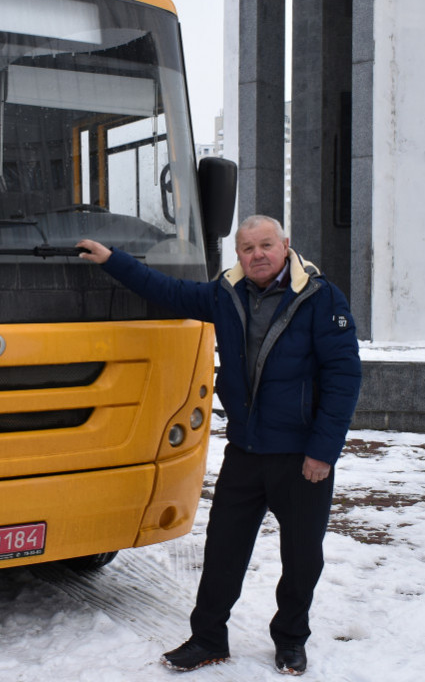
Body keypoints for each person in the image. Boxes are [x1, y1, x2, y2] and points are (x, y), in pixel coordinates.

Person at [77, 215, 361, 676]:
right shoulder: (225, 295)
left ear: (286, 244)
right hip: (247, 453)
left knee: (302, 557)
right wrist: (113, 261)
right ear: (239, 255)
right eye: (247, 249)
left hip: (300, 457)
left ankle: (290, 639)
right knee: (223, 551)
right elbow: (165, 291)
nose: (257, 255)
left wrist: (322, 453)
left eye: (266, 245)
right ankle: (208, 638)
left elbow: (344, 379)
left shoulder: (321, 298)